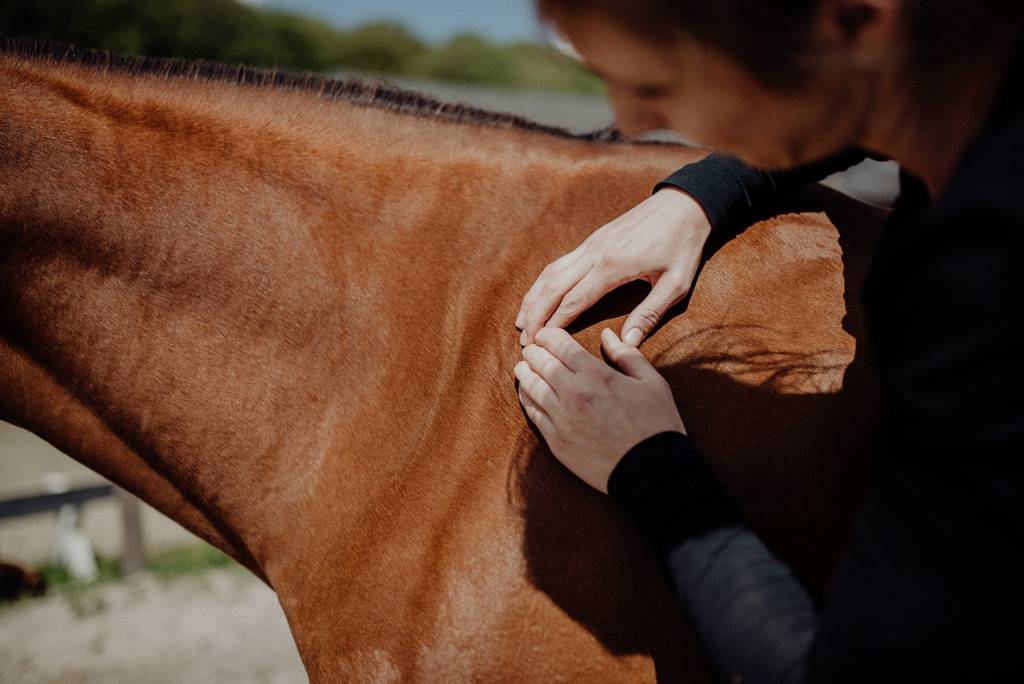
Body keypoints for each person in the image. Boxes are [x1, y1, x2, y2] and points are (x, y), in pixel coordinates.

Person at [511, 1, 1024, 681]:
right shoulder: (975, 64)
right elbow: (875, 88)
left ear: (856, 19)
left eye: (656, 86)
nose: (632, 124)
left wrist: (648, 465)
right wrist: (700, 193)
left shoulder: (990, 290)